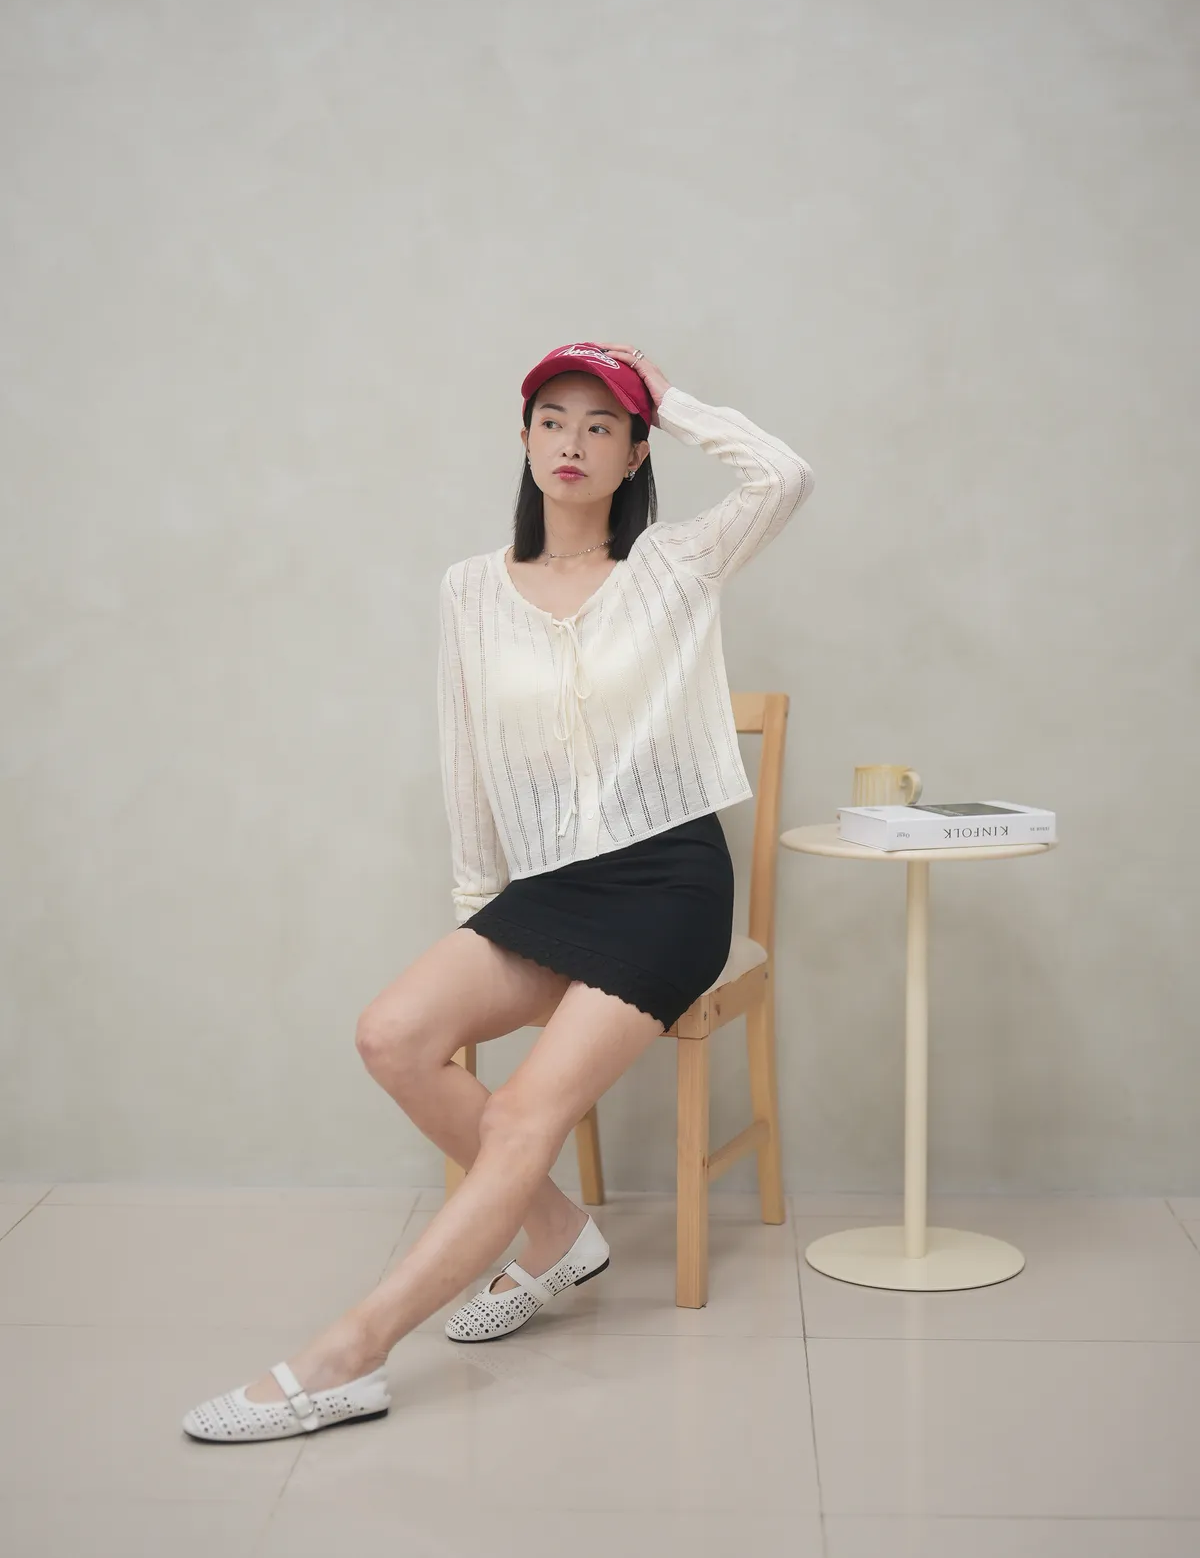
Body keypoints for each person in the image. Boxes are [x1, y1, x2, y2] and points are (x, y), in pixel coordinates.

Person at [181, 341, 814, 1441]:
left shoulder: (675, 565)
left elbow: (784, 476)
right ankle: (559, 1233)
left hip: (669, 882)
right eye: (553, 420)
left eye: (602, 425)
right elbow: (466, 758)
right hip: (551, 889)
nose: (573, 442)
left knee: (525, 1111)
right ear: (523, 439)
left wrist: (671, 396)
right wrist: (480, 916)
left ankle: (349, 1355)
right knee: (392, 1035)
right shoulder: (470, 589)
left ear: (634, 453)